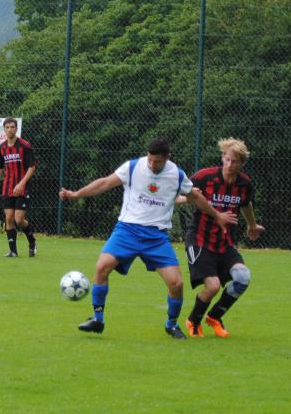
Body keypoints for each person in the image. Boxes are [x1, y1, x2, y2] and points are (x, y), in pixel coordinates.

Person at [58, 137, 237, 339]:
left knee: (176, 284)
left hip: (156, 237)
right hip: (127, 230)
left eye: (157, 161)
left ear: (167, 158)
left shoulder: (177, 175)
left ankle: (171, 325)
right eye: (150, 159)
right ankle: (97, 320)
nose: (152, 164)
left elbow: (196, 197)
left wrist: (217, 215)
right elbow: (105, 183)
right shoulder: (133, 167)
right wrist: (76, 195)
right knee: (101, 267)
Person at [179, 138, 264, 338]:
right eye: (227, 159)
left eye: (234, 161)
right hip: (200, 239)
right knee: (213, 286)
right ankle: (193, 321)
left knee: (243, 278)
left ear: (241, 163)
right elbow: (178, 196)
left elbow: (246, 204)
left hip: (224, 243)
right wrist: (189, 197)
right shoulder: (204, 177)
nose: (229, 165)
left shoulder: (244, 184)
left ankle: (215, 316)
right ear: (222, 158)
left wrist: (252, 225)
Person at [0, 118, 38, 257]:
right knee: (9, 218)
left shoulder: (24, 146)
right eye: (7, 127)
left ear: (16, 129)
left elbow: (32, 167)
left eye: (12, 127)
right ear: (4, 129)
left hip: (23, 187)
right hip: (8, 187)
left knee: (19, 219)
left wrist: (21, 183)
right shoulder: (2, 148)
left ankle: (32, 242)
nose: (10, 129)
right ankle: (13, 251)